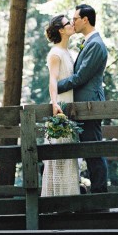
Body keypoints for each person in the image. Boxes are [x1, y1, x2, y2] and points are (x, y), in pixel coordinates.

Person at [57, 3, 108, 195]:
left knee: (93, 151)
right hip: (83, 106)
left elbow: (80, 77)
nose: (73, 22)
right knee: (88, 150)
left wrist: (55, 86)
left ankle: (100, 198)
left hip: (90, 106)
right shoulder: (89, 42)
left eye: (75, 19)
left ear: (85, 20)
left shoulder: (96, 45)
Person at [41, 13, 80, 197]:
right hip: (61, 109)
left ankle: (70, 199)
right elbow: (53, 79)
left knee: (70, 158)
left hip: (71, 108)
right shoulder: (55, 53)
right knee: (59, 158)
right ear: (60, 30)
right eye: (68, 23)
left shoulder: (68, 53)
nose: (72, 24)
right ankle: (56, 200)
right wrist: (55, 104)